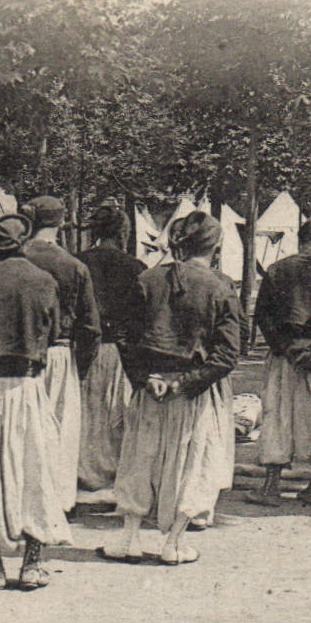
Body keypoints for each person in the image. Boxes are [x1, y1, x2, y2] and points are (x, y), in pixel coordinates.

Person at [102, 211, 241, 565]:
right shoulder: (221, 286)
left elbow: (123, 334)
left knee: (138, 459)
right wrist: (183, 383)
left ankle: (130, 538)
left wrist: (144, 378)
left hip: (150, 388)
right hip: (192, 392)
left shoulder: (148, 280)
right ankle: (174, 544)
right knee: (192, 464)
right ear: (217, 245)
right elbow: (227, 354)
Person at [0, 214, 71, 591]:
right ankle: (32, 564)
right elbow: (53, 332)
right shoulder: (42, 280)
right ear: (23, 244)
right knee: (34, 470)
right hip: (25, 386)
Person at [249, 212, 311, 507]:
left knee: (278, 416)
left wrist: (289, 349)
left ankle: (271, 486)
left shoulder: (277, 270)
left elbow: (263, 318)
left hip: (285, 357)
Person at [19, 195, 100, 516]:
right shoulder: (74, 266)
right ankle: (59, 501)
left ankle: (23, 500)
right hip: (60, 352)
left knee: (24, 430)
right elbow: (91, 326)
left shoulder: (14, 257)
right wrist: (80, 367)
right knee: (61, 430)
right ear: (61, 222)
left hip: (20, 354)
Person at [74, 204, 146, 493]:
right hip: (119, 349)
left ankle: (84, 471)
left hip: (84, 347)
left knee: (86, 413)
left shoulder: (78, 262)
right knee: (117, 411)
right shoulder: (136, 268)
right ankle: (115, 472)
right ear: (124, 233)